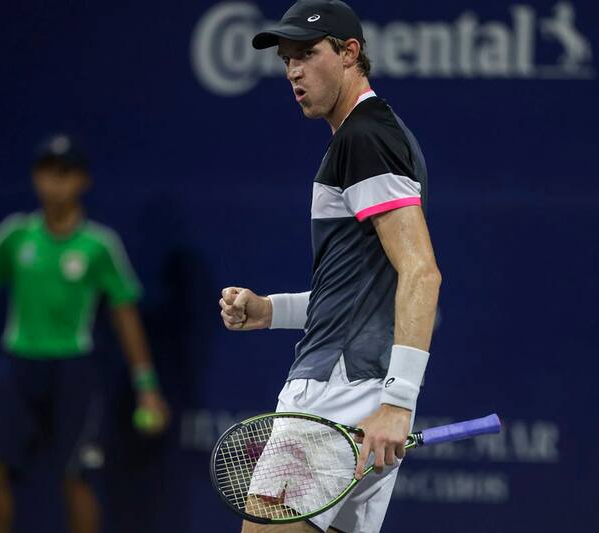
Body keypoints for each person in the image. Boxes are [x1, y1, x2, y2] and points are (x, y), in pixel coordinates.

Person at [218, 1, 442, 532]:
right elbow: (365, 294)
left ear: (349, 53)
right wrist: (272, 310)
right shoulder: (383, 135)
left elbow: (421, 273)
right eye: (287, 60)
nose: (294, 71)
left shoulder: (364, 139)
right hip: (360, 395)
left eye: (308, 54)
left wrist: (398, 403)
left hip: (334, 398)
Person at [0, 134, 169, 533]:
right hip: (18, 367)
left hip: (73, 370)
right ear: (35, 179)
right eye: (47, 172)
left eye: (65, 174)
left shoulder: (99, 245)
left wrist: (146, 384)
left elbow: (125, 316)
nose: (54, 183)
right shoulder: (15, 235)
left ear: (82, 181)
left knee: (77, 478)